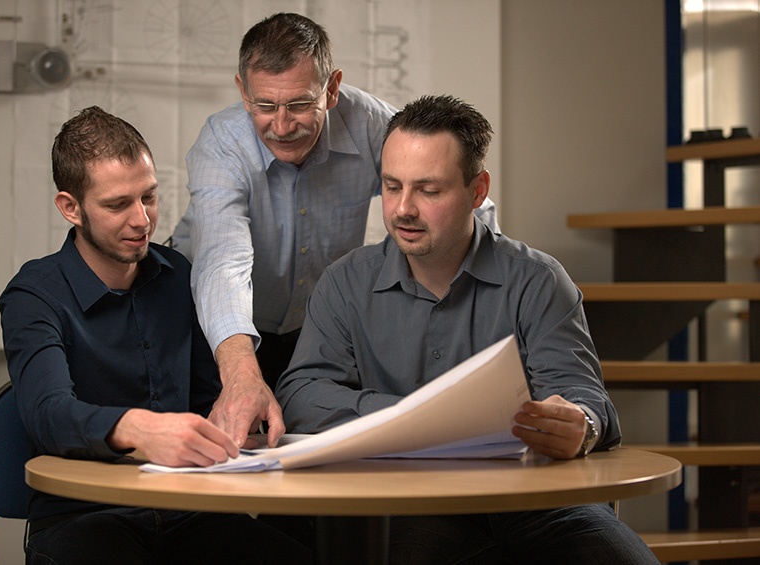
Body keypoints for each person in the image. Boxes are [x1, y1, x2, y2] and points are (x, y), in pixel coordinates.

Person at [275, 95, 659, 564]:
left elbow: (584, 396)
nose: (403, 209)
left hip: (541, 502)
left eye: (429, 191)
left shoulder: (538, 280)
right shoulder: (345, 283)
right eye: (392, 187)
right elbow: (301, 394)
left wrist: (581, 424)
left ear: (478, 191)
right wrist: (418, 419)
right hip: (418, 506)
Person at [169, 12, 499, 448]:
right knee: (225, 463)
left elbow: (462, 209)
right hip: (219, 331)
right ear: (242, 92)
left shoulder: (373, 124)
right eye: (265, 106)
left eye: (301, 104)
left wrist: (494, 306)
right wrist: (242, 376)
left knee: (316, 461)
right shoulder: (221, 143)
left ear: (332, 88)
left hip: (313, 329)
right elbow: (222, 263)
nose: (282, 126)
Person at [0, 106, 312, 564]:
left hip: (192, 512)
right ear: (71, 208)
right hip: (85, 519)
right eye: (117, 204)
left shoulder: (178, 275)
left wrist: (237, 423)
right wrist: (139, 429)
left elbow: (211, 401)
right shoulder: (34, 295)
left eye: (148, 196)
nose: (142, 220)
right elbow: (48, 415)